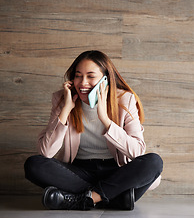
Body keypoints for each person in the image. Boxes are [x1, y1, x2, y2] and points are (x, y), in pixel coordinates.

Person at [24, 50, 163, 210]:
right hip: (79, 171)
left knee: (154, 163)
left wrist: (105, 119)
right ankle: (112, 197)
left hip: (115, 170)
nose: (83, 83)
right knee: (34, 165)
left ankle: (82, 199)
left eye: (91, 76)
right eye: (78, 75)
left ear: (105, 79)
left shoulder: (125, 99)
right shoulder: (63, 99)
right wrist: (65, 110)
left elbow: (137, 151)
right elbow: (47, 152)